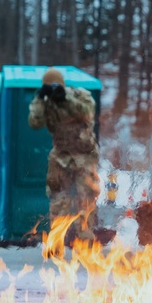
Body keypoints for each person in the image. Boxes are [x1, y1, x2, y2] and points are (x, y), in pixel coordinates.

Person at [28, 67, 101, 244]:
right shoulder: (46, 103)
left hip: (84, 156)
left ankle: (85, 241)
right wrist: (39, 99)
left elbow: (87, 112)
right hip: (60, 157)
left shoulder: (79, 95)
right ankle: (56, 241)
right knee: (59, 201)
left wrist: (65, 99)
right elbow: (34, 123)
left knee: (86, 201)